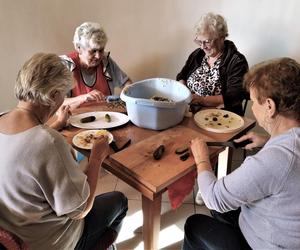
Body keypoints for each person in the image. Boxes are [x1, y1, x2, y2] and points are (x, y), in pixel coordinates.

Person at [0, 53, 128, 250]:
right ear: (52, 96)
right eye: (64, 94)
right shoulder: (48, 143)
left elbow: (24, 146)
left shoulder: (3, 118)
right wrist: (96, 159)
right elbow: (80, 210)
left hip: (12, 233)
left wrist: (56, 124)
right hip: (50, 243)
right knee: (119, 201)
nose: (64, 100)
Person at [183, 57, 300, 249]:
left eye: (253, 101)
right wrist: (266, 141)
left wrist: (201, 158)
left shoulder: (273, 161)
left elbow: (214, 198)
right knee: (224, 213)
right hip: (283, 226)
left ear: (269, 107)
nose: (252, 108)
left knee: (195, 224)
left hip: (265, 243)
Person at [177, 12, 249, 205]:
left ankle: (210, 180)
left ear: (222, 37)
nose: (203, 46)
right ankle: (184, 173)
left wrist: (201, 99)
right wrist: (183, 89)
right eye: (199, 41)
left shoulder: (236, 60)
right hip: (191, 109)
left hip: (222, 116)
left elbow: (235, 95)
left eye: (207, 42)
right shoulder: (198, 54)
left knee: (208, 139)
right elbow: (181, 75)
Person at [61, 22, 132, 109]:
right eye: (93, 51)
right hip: (76, 119)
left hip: (106, 116)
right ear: (79, 48)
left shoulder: (106, 61)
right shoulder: (66, 65)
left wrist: (123, 97)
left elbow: (127, 83)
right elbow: (57, 103)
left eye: (101, 50)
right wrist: (83, 97)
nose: (98, 56)